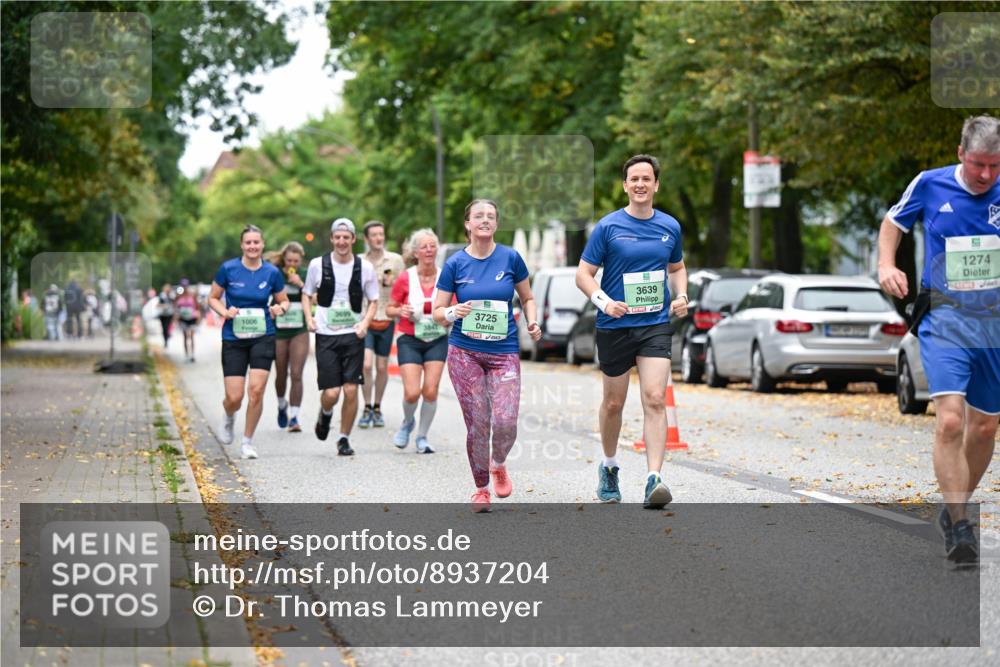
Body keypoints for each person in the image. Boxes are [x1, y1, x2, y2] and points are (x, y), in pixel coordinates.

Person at [877, 115, 1000, 564]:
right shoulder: (930, 184)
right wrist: (886, 265)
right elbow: (893, 223)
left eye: (995, 166)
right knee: (950, 420)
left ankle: (955, 506)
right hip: (945, 318)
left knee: (986, 426)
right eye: (978, 165)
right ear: (960, 155)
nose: (986, 175)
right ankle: (961, 524)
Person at [575, 154, 688, 509]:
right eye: (633, 179)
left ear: (656, 184)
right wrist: (603, 302)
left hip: (654, 324)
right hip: (614, 324)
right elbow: (583, 274)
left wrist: (682, 293)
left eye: (646, 178)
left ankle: (655, 478)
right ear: (625, 185)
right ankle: (609, 467)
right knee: (613, 402)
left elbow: (678, 266)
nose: (640, 184)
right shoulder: (608, 227)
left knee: (655, 398)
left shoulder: (670, 226)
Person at [433, 200, 541, 513]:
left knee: (505, 421)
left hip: (503, 351)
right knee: (478, 422)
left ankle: (498, 463)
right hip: (464, 352)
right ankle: (481, 487)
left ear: (495, 224)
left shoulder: (510, 257)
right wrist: (454, 311)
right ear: (467, 224)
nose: (485, 220)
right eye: (478, 216)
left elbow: (528, 297)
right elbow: (438, 312)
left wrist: (532, 321)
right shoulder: (455, 264)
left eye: (490, 216)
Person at [207, 224, 289, 459]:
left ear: (262, 245)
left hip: (263, 335)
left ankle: (247, 442)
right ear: (242, 245)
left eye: (257, 242)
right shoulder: (228, 269)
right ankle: (229, 415)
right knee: (234, 397)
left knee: (257, 390)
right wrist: (225, 312)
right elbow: (212, 298)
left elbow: (284, 301)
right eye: (248, 243)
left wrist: (278, 308)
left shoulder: (272, 272)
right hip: (234, 337)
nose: (253, 246)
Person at [302, 218, 380, 455]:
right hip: (326, 334)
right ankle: (325, 413)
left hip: (353, 333)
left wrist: (365, 323)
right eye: (338, 237)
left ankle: (344, 438)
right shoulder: (318, 264)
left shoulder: (365, 267)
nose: (342, 241)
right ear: (332, 239)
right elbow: (306, 294)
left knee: (350, 390)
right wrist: (309, 318)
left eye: (346, 237)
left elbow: (374, 300)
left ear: (353, 239)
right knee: (332, 393)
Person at [386, 228, 451, 453]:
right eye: (424, 246)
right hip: (410, 339)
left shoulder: (445, 276)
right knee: (412, 393)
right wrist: (401, 310)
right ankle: (407, 422)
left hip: (437, 339)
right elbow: (389, 309)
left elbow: (456, 306)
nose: (429, 250)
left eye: (433, 246)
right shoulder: (406, 277)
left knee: (430, 391)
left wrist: (450, 316)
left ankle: (422, 437)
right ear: (415, 252)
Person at [358, 220, 405, 429]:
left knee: (381, 366)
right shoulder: (358, 261)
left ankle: (377, 407)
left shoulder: (395, 261)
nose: (378, 238)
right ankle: (366, 406)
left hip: (386, 317)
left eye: (381, 234)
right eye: (374, 235)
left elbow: (404, 286)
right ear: (366, 239)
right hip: (364, 318)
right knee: (366, 364)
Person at [267, 242, 310, 432]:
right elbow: (266, 296)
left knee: (297, 374)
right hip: (279, 329)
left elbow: (316, 298)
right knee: (281, 373)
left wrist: (300, 284)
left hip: (299, 329)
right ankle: (281, 404)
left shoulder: (307, 274)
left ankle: (294, 417)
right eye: (289, 260)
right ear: (284, 258)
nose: (292, 263)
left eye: (296, 261)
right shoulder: (274, 273)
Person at [174, 279, 200, 362]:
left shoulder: (192, 296)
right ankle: (186, 355)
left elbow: (197, 307)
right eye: (183, 286)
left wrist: (198, 317)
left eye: (186, 286)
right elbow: (175, 307)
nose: (184, 287)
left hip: (192, 318)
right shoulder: (178, 296)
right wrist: (176, 317)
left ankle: (192, 355)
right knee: (185, 337)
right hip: (183, 319)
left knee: (192, 336)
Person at [157, 283, 175, 348]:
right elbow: (158, 304)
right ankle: (165, 339)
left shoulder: (171, 295)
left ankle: (167, 337)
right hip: (162, 314)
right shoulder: (162, 295)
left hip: (169, 314)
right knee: (164, 328)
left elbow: (174, 304)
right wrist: (163, 306)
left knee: (167, 327)